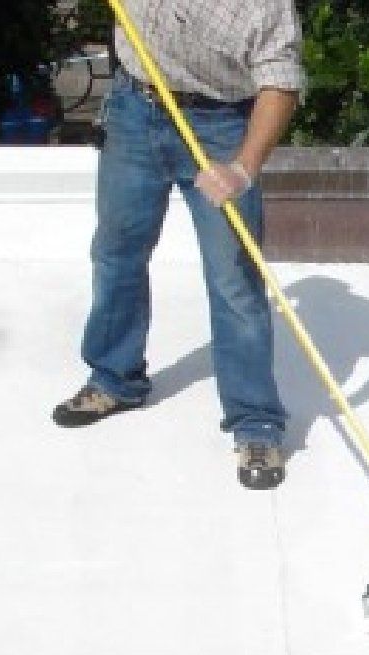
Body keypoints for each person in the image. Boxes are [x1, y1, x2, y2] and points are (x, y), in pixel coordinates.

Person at [52, 0, 304, 491]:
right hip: (134, 107)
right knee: (116, 254)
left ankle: (256, 422)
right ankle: (114, 379)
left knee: (233, 278)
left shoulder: (265, 7)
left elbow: (282, 86)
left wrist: (242, 169)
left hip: (220, 127)